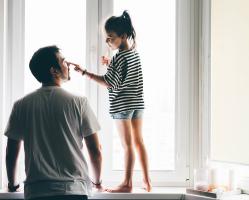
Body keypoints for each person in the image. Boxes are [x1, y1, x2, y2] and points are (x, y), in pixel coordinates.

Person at [5, 45, 103, 200]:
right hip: (74, 190)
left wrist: (12, 184)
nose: (68, 65)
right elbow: (95, 150)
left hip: (37, 192)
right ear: (54, 70)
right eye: (63, 61)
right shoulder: (79, 103)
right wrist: (97, 182)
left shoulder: (21, 105)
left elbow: (11, 153)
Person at [71, 11, 151, 193]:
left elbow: (110, 83)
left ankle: (127, 183)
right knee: (139, 142)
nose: (108, 42)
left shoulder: (118, 57)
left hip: (122, 106)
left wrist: (85, 73)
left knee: (127, 145)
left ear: (123, 36)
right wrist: (111, 64)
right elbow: (125, 76)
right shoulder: (133, 53)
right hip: (137, 103)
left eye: (110, 38)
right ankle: (147, 180)